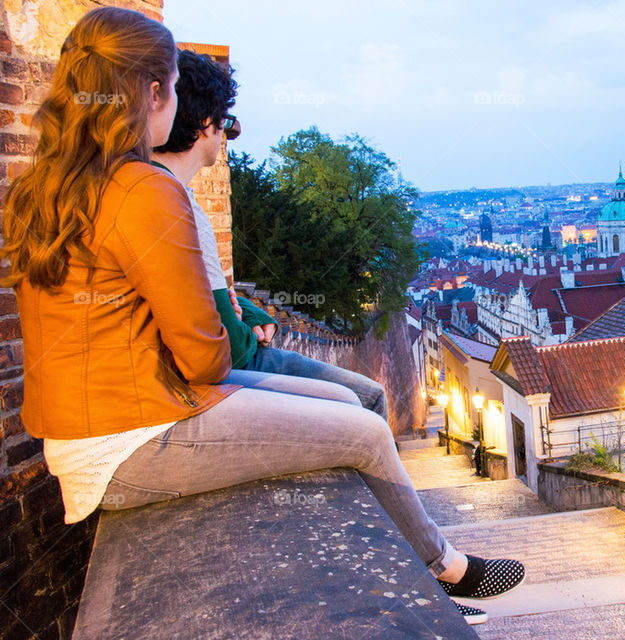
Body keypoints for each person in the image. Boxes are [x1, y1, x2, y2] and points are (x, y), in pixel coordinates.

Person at [1, 7, 521, 625]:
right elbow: (206, 356)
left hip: (94, 433)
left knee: (352, 406)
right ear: (153, 92)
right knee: (366, 430)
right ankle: (446, 571)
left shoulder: (50, 185)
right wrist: (229, 328)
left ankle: (440, 564)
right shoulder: (143, 189)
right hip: (134, 440)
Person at [150, 49, 389, 424]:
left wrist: (242, 309)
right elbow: (233, 343)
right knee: (368, 399)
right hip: (211, 384)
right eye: (227, 123)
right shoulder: (179, 206)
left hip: (184, 384)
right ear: (206, 124)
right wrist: (249, 328)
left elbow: (203, 303)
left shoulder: (150, 187)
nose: (226, 135)